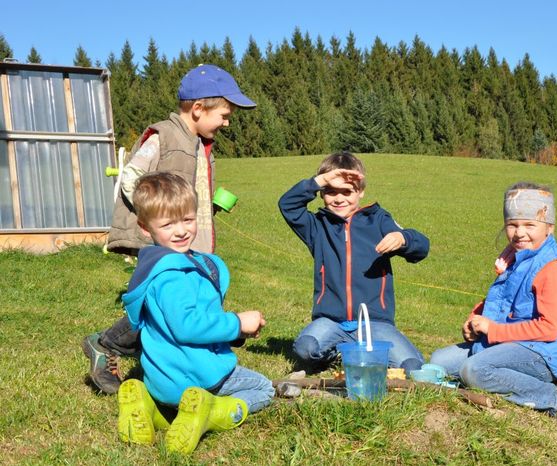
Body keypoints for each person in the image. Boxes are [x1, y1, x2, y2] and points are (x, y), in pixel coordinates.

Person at [82, 64, 256, 394]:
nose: (227, 122)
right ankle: (107, 345)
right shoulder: (164, 136)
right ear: (198, 109)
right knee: (161, 304)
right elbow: (132, 176)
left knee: (186, 301)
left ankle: (185, 360)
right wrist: (157, 216)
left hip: (183, 240)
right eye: (224, 114)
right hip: (161, 242)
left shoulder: (198, 142)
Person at [117, 172, 273, 454]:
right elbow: (188, 326)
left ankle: (150, 407)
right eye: (168, 224)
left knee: (170, 404)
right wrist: (237, 323)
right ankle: (212, 411)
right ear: (144, 227)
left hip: (162, 380)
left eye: (187, 220)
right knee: (264, 389)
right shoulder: (173, 275)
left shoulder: (151, 267)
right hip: (199, 376)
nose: (181, 231)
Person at [429, 182, 557, 420]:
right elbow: (503, 300)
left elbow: (549, 329)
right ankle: (498, 379)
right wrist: (475, 318)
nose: (519, 233)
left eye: (529, 225)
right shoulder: (517, 256)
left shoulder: (553, 267)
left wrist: (493, 330)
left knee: (473, 370)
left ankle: (553, 397)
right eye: (512, 225)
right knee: (438, 363)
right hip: (508, 341)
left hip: (543, 353)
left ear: (549, 228)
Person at [278, 151, 430, 373]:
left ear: (360, 192)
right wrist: (319, 180)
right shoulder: (317, 227)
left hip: (375, 323)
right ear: (321, 194)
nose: (339, 199)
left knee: (412, 367)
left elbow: (421, 247)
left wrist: (402, 238)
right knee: (305, 349)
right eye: (330, 192)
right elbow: (288, 205)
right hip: (331, 322)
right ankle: (340, 353)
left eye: (347, 192)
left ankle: (364, 349)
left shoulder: (377, 220)